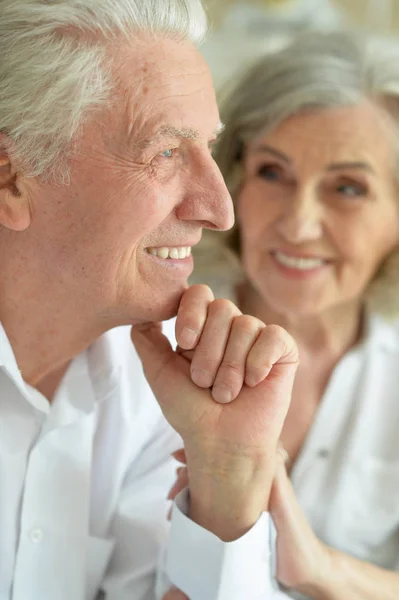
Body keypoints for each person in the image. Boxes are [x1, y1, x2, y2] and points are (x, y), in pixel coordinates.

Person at [0, 1, 299, 599]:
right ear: (11, 178)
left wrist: (228, 474)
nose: (219, 209)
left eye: (209, 150)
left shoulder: (157, 395)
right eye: (165, 152)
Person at [170, 31, 399, 599]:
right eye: (272, 173)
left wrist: (320, 569)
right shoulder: (148, 335)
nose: (298, 225)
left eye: (348, 187)